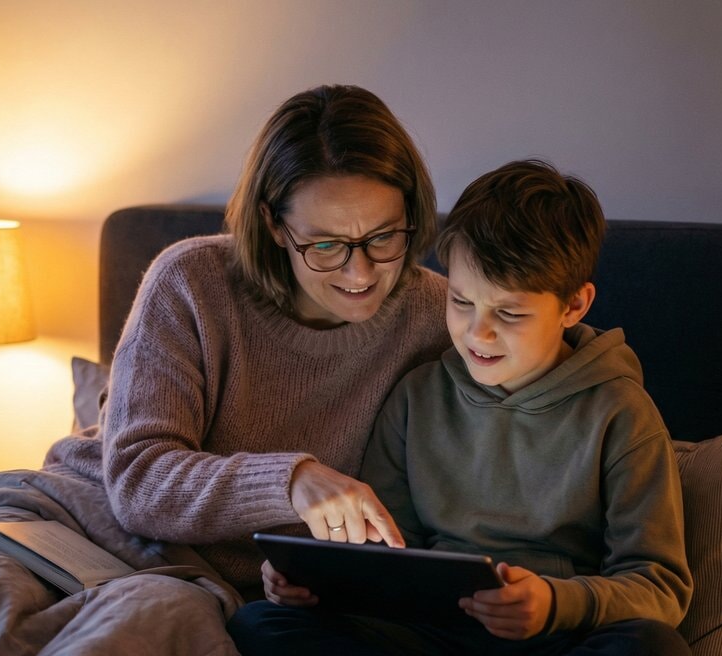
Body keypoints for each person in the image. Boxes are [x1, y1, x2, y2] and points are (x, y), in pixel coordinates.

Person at [227, 159, 695, 656]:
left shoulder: (621, 414)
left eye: (510, 313)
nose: (479, 332)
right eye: (462, 302)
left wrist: (554, 603)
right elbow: (385, 549)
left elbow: (659, 585)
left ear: (574, 305)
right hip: (428, 635)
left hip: (550, 640)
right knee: (259, 623)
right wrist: (317, 582)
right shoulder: (417, 395)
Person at [43, 84, 451, 602]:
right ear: (272, 224)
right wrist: (292, 480)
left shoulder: (444, 314)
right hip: (87, 521)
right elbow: (138, 479)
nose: (361, 272)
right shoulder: (190, 281)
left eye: (384, 237)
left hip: (239, 588)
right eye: (326, 244)